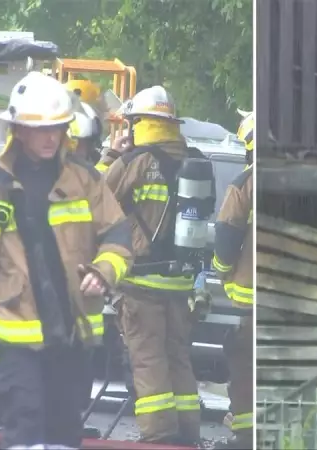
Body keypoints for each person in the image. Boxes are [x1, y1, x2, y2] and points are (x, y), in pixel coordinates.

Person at [0, 71, 134, 449]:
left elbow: (118, 235)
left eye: (58, 128)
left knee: (64, 431)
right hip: (14, 335)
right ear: (17, 130)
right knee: (25, 425)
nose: (51, 137)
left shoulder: (86, 181)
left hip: (73, 332)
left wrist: (104, 271)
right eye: (40, 129)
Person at [102, 85, 202, 446]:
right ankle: (188, 434)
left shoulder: (135, 161)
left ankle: (160, 438)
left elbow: (92, 198)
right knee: (178, 358)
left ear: (141, 122)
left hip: (143, 282)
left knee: (148, 360)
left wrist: (110, 154)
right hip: (181, 283)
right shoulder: (195, 159)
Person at [211, 111, 254, 450]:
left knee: (246, 365)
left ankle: (247, 438)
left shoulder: (246, 183)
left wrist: (222, 270)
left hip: (254, 300)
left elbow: (226, 234)